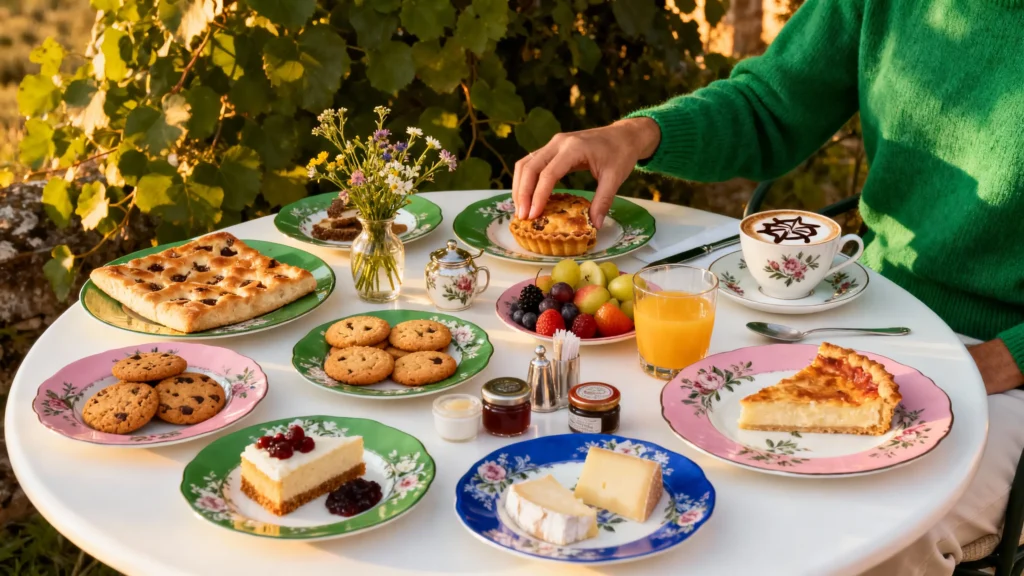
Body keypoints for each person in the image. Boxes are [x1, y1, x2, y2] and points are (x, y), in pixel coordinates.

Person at [511, 0, 1024, 574]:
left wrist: (1000, 360)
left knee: (868, 542)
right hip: (874, 316)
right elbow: (771, 106)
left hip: (1002, 367)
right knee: (687, 479)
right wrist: (636, 134)